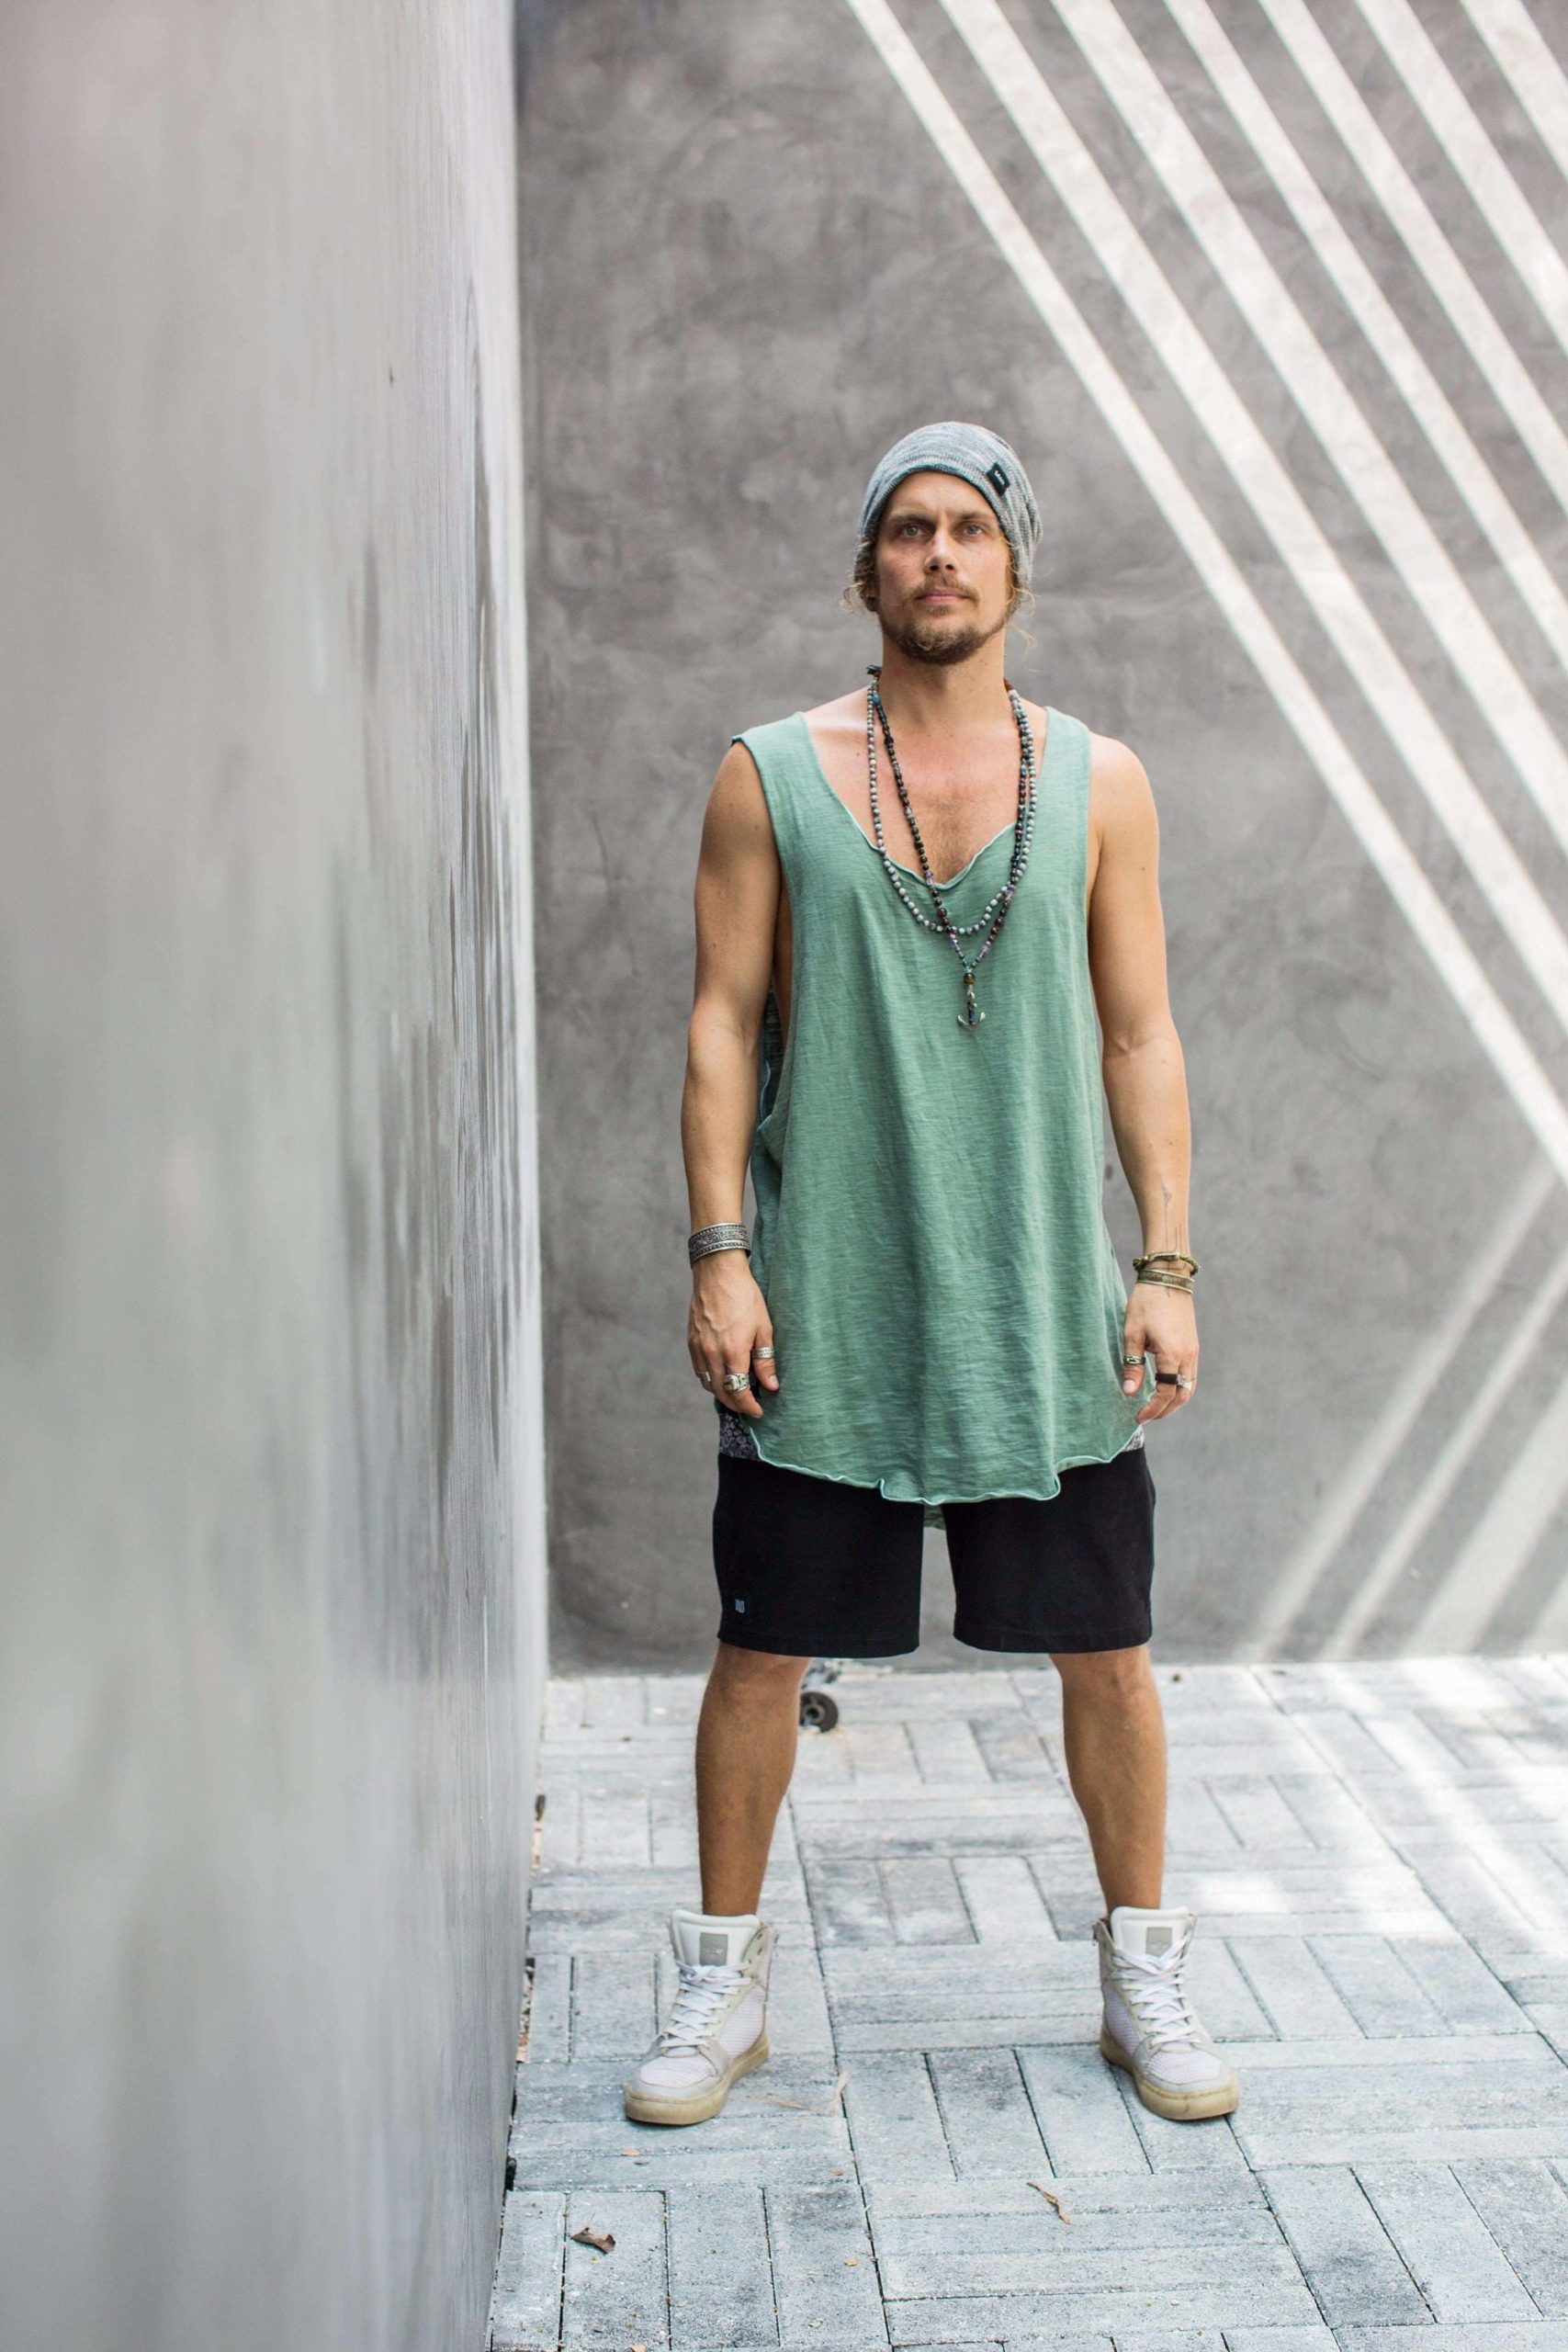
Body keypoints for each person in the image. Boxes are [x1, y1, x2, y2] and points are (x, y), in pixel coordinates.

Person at [622, 422, 1237, 2132]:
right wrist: (721, 1258)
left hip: (1042, 1300)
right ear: (867, 568)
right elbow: (720, 1026)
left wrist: (1166, 1263)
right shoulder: (768, 775)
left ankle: (1139, 1969)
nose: (941, 555)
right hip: (825, 1300)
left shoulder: (1101, 781)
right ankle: (723, 1978)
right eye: (910, 528)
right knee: (761, 1651)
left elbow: (1141, 1034)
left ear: (1015, 566)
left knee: (1108, 1652)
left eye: (972, 527)